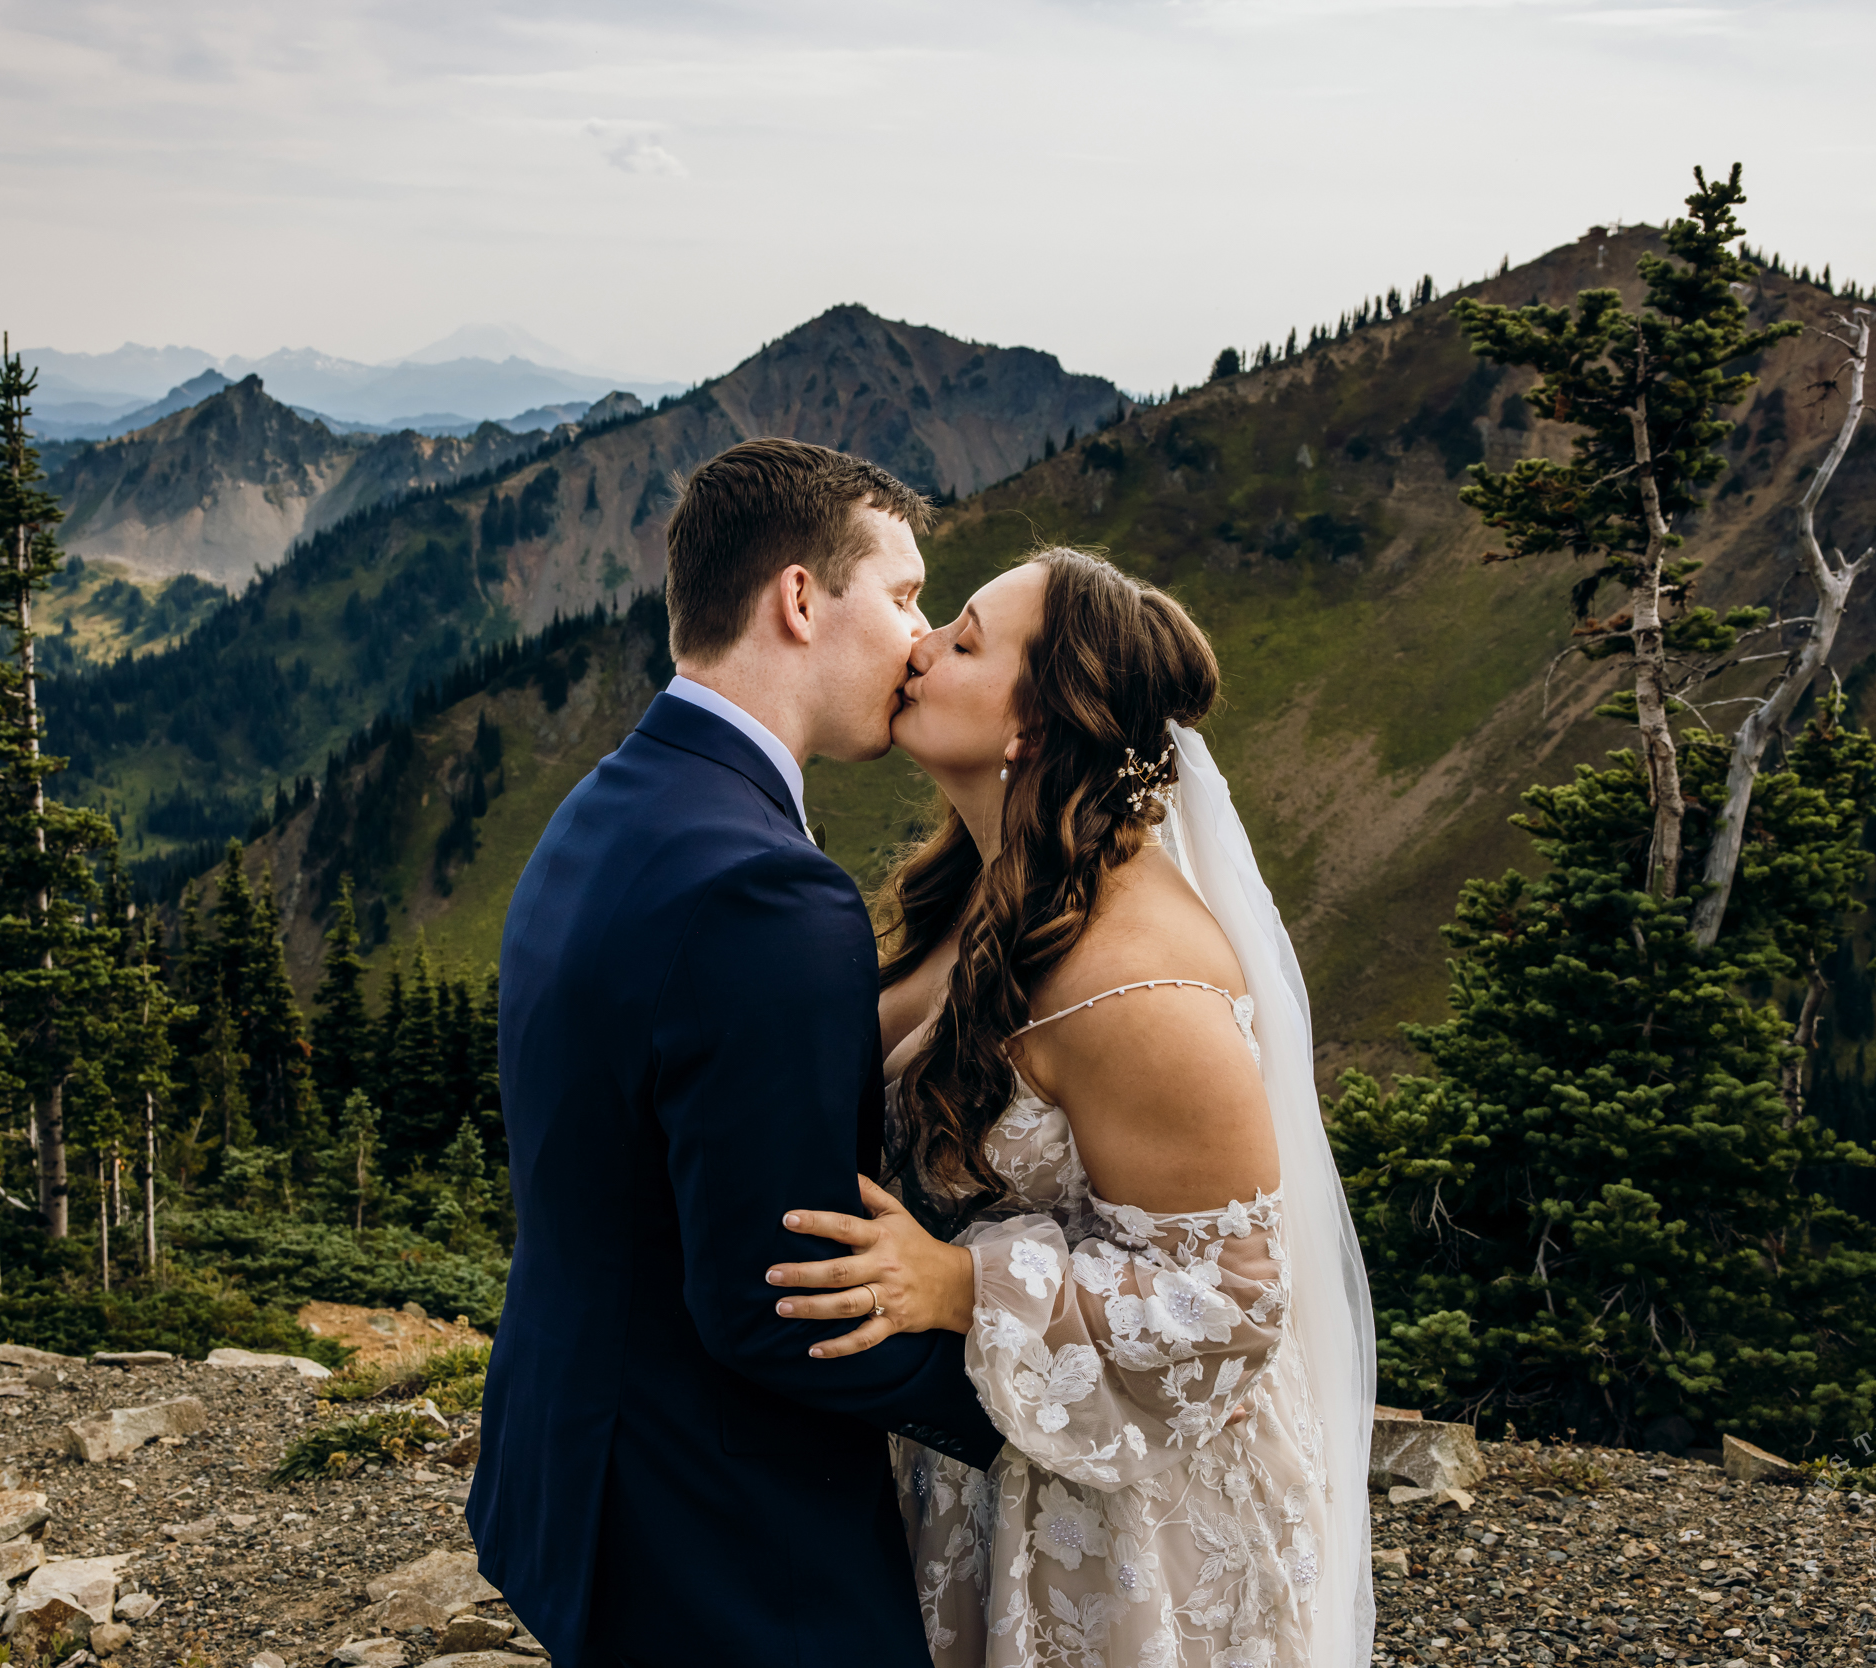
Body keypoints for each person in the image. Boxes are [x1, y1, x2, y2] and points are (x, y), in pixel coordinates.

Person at [763, 548, 1377, 1667]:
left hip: (1115, 1532)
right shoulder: (989, 884)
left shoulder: (1143, 987)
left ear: (1032, 729)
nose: (922, 644)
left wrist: (963, 1283)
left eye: (964, 639)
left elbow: (1235, 1301)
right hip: (992, 1459)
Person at [469, 438, 1007, 1668]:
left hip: (575, 1457)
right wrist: (1040, 1403)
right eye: (905, 594)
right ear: (801, 598)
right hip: (711, 1529)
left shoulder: (614, 796)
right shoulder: (768, 888)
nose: (920, 640)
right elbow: (778, 1308)